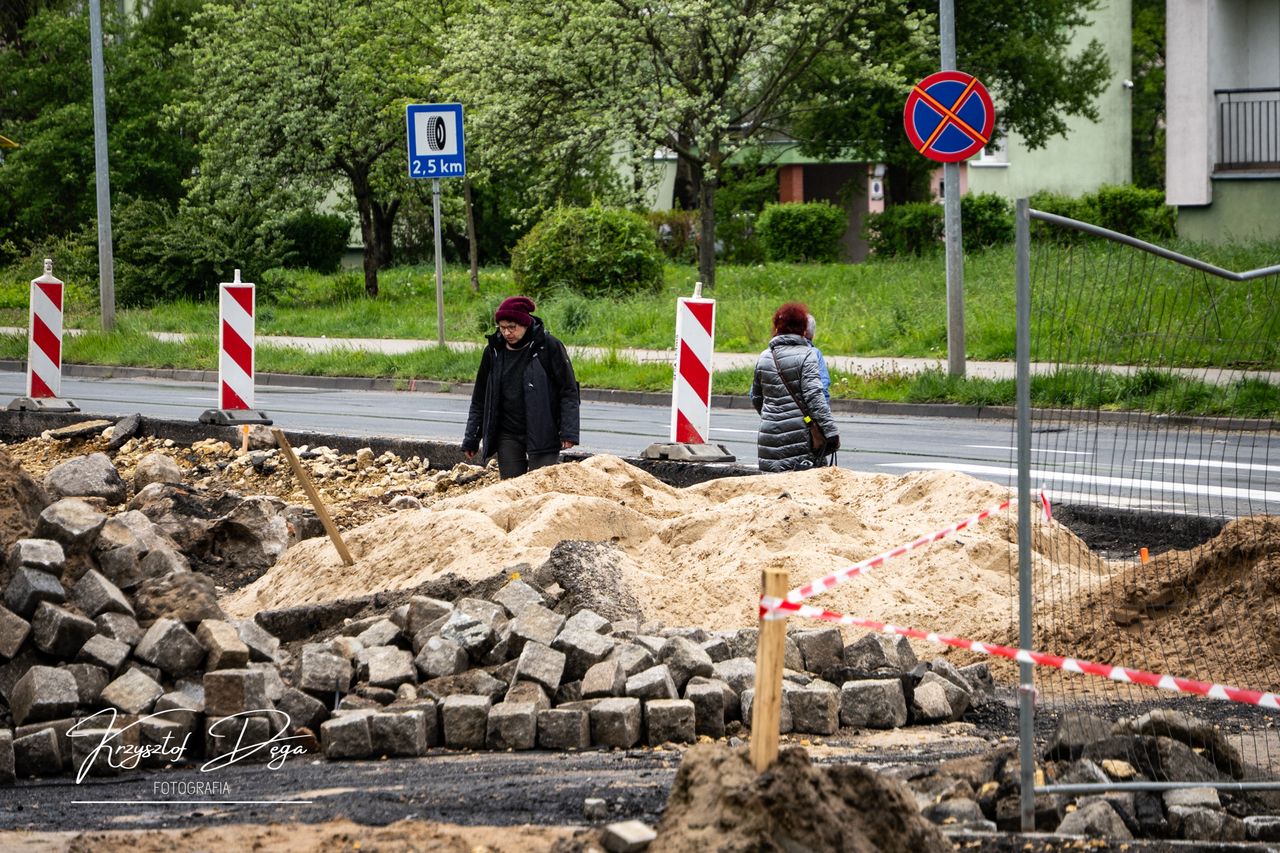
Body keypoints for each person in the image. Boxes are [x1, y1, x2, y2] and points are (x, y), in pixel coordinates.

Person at [462, 296, 580, 479]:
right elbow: (480, 398)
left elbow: (569, 391)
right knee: (512, 487)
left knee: (540, 486)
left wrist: (568, 432)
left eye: (512, 327)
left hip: (543, 432)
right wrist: (471, 438)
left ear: (525, 324)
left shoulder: (548, 347)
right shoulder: (493, 352)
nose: (507, 333)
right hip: (507, 434)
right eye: (502, 328)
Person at [750, 302, 839, 472]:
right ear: (804, 331)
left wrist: (772, 416)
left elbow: (756, 397)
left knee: (772, 488)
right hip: (799, 436)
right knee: (801, 486)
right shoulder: (808, 355)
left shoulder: (764, 357)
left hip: (768, 437)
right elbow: (815, 397)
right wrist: (830, 431)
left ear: (776, 328)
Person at [805, 313, 831, 401]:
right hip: (805, 412)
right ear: (812, 334)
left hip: (774, 413)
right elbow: (823, 386)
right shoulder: (814, 353)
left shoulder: (770, 353)